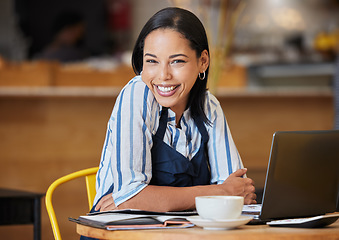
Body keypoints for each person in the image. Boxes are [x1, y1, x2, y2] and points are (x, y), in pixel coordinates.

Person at [93, 7, 256, 213]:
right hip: (121, 231)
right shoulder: (138, 93)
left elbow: (239, 192)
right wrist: (219, 193)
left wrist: (227, 192)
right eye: (152, 61)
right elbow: (130, 195)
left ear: (202, 61)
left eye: (177, 61)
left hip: (182, 231)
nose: (163, 75)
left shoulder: (209, 106)